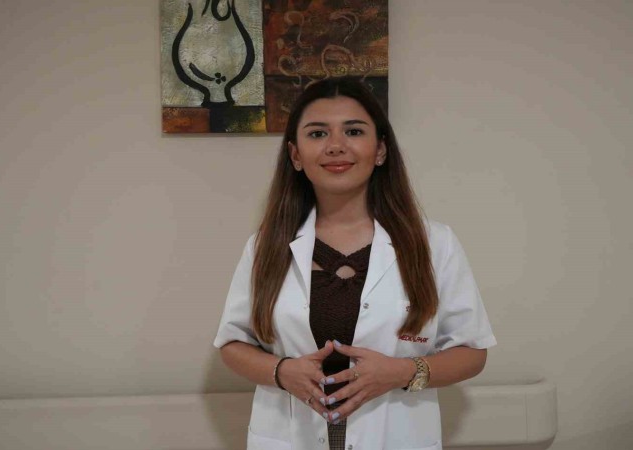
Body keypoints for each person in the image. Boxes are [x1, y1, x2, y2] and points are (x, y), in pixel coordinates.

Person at [213, 78, 496, 450]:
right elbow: (233, 343)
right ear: (295, 155)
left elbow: (472, 352)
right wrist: (281, 372)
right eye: (317, 133)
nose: (336, 145)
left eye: (354, 131)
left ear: (380, 150)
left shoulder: (434, 244)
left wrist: (403, 372)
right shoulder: (266, 245)